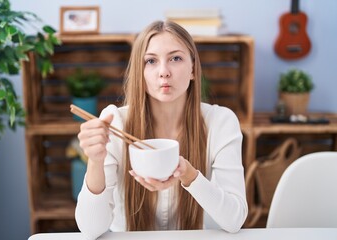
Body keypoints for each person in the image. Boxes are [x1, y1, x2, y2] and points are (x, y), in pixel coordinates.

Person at [75, 20, 248, 240]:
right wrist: (95, 160)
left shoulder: (221, 122)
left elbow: (234, 220)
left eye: (175, 58)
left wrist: (190, 176)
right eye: (151, 61)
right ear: (140, 72)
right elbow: (91, 230)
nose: (164, 72)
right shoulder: (115, 122)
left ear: (193, 69)